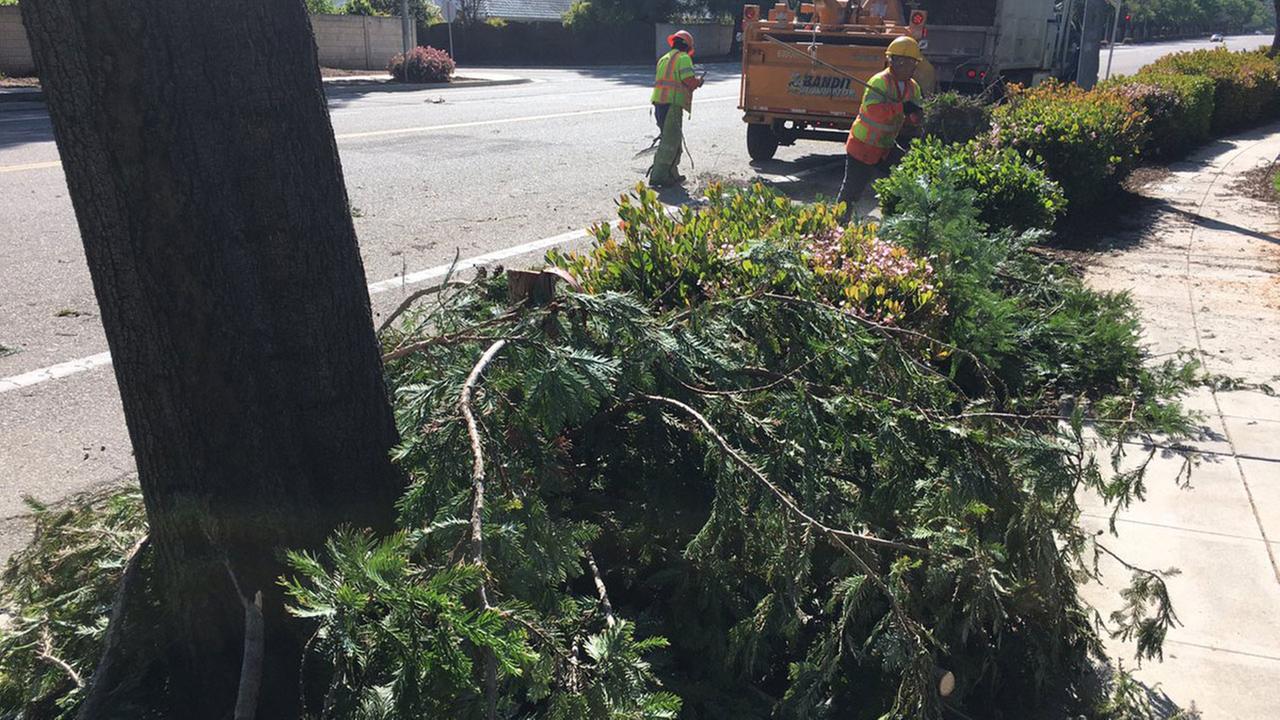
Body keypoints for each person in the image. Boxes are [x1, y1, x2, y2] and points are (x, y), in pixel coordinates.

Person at [836, 35, 924, 222]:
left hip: (885, 145)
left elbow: (915, 114)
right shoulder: (879, 82)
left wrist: (917, 116)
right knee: (853, 189)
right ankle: (837, 224)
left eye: (912, 63)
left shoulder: (913, 88)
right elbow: (873, 111)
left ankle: (895, 223)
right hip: (863, 145)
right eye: (904, 62)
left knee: (903, 179)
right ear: (894, 61)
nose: (908, 67)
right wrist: (902, 108)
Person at [649, 30, 705, 188]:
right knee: (670, 141)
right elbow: (688, 80)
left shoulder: (664, 58)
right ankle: (659, 176)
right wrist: (698, 82)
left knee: (672, 139)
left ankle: (672, 173)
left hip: (659, 102)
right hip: (672, 103)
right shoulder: (683, 58)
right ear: (687, 46)